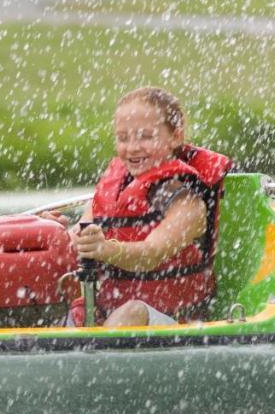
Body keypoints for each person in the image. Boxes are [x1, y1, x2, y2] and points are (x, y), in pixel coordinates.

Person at [41, 87, 232, 327]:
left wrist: (105, 249)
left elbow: (151, 254)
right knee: (47, 310)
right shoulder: (112, 193)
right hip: (105, 314)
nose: (132, 147)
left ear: (175, 136)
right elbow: (76, 243)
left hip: (175, 322)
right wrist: (51, 234)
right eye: (123, 138)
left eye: (145, 136)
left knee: (132, 311)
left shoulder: (188, 203)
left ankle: (92, 357)